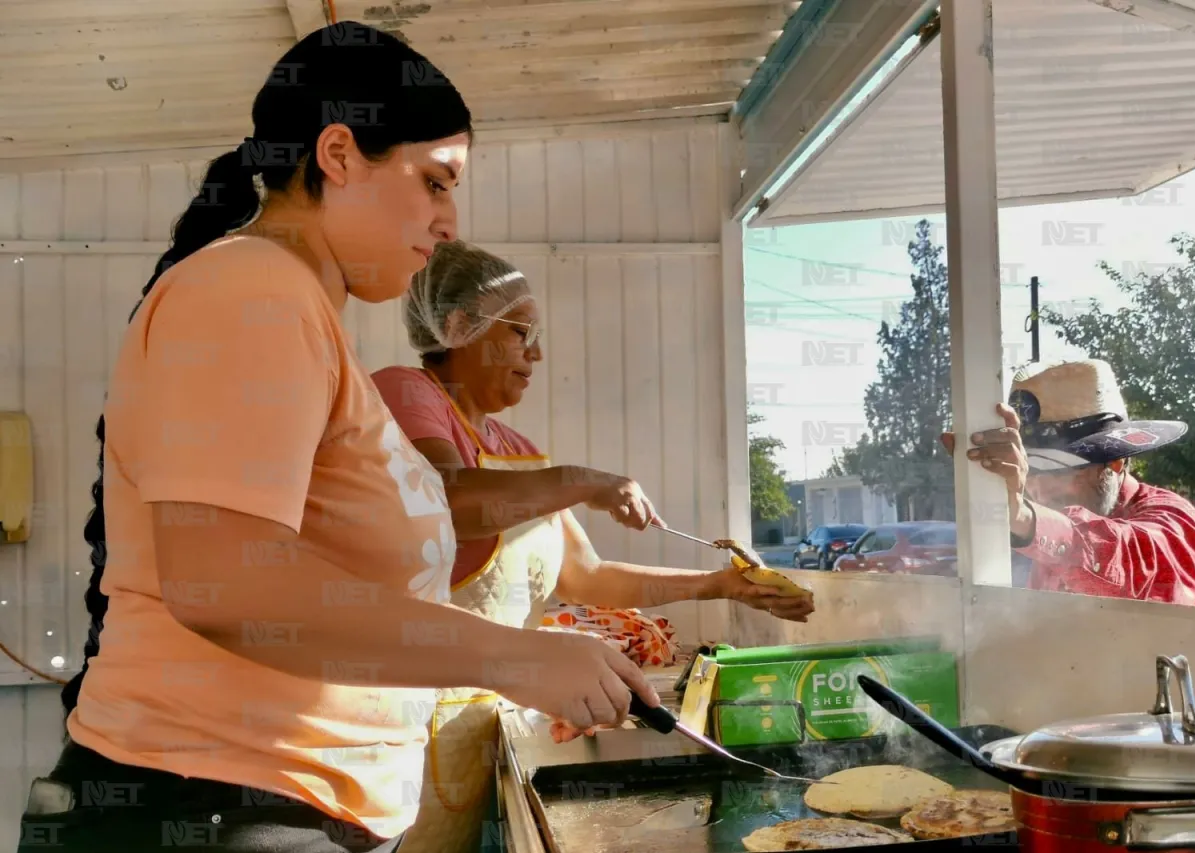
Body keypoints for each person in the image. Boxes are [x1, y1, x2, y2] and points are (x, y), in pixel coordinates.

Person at [17, 23, 661, 853]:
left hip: (267, 809)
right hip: (213, 810)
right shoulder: (250, 289)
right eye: (434, 182)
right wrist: (515, 657)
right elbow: (227, 582)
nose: (448, 220)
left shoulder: (300, 313)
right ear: (339, 154)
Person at [370, 241, 816, 853]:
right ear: (456, 327)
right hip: (407, 726)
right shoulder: (404, 393)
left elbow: (588, 575)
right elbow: (448, 502)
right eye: (521, 332)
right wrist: (585, 481)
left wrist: (719, 583)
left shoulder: (516, 447)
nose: (537, 354)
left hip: (491, 719)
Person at [943, 359, 1195, 607]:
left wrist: (1024, 517)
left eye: (1057, 472)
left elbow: (1135, 561)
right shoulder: (1052, 539)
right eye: (1030, 474)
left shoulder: (1174, 520)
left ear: (1116, 461)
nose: (1038, 491)